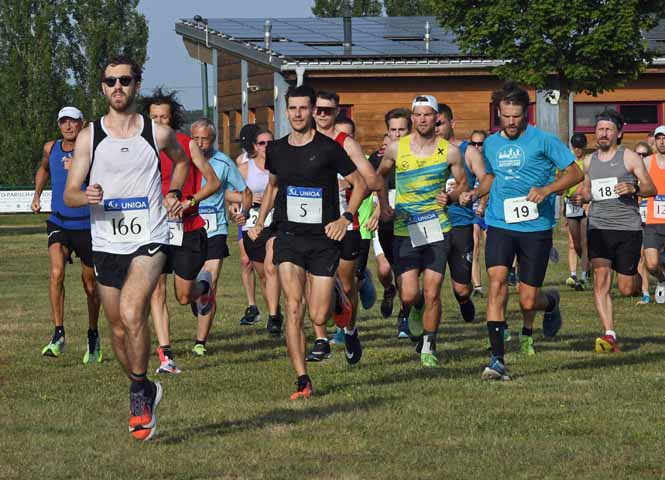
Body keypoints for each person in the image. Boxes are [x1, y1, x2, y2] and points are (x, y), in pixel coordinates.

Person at [64, 55, 190, 440]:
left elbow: (181, 163)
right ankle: (145, 385)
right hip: (106, 242)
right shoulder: (90, 135)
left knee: (135, 312)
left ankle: (138, 393)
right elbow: (68, 193)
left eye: (125, 80)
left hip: (149, 237)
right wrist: (84, 195)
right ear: (102, 87)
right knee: (118, 328)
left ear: (136, 85)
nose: (117, 87)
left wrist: (171, 190)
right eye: (110, 81)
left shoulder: (157, 133)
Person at [248, 84, 368, 399]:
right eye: (292, 109)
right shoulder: (275, 149)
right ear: (286, 112)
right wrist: (260, 222)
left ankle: (340, 298)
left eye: (304, 108)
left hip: (323, 238)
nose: (298, 114)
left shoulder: (329, 148)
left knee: (319, 316)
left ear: (313, 110)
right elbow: (273, 187)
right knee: (293, 307)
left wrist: (346, 219)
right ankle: (302, 380)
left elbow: (361, 183)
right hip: (288, 235)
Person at [462, 81, 583, 380]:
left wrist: (548, 189)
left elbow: (575, 172)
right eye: (506, 115)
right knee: (497, 283)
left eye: (517, 116)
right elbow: (490, 178)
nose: (511, 122)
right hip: (500, 223)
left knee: (528, 299)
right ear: (498, 113)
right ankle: (496, 359)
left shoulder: (544, 140)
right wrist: (476, 194)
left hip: (536, 226)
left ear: (526, 114)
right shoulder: (490, 143)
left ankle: (550, 302)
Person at [378, 94, 467, 367]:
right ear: (412, 117)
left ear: (437, 117)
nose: (423, 119)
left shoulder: (449, 151)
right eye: (418, 115)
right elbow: (378, 176)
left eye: (428, 114)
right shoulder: (396, 148)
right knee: (408, 294)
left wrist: (451, 198)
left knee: (432, 291)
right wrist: (383, 205)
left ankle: (428, 344)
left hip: (437, 227)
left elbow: (462, 183)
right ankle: (414, 308)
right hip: (405, 227)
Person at [141, 88, 221, 374]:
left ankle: (204, 289)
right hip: (154, 230)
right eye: (154, 118)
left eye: (164, 117)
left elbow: (213, 183)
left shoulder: (187, 145)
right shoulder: (142, 147)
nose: (159, 122)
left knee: (184, 296)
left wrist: (190, 201)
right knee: (156, 291)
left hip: (188, 228)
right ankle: (166, 356)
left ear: (173, 118)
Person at [307, 90, 382, 364]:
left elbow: (373, 180)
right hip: (311, 224)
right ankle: (320, 339)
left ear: (337, 112)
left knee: (347, 283)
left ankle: (350, 329)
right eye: (320, 109)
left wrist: (349, 183)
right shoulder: (301, 141)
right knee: (312, 281)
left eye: (329, 110)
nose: (323, 114)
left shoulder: (345, 143)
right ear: (313, 111)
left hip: (344, 223)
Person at [571, 110, 655, 353]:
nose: (603, 134)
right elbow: (588, 190)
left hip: (627, 227)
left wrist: (634, 187)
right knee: (601, 279)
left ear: (619, 133)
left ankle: (642, 283)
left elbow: (651, 188)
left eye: (608, 129)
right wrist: (580, 197)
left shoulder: (629, 157)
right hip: (598, 226)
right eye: (599, 129)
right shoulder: (589, 161)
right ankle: (609, 333)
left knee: (628, 288)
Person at [32, 106, 101, 362]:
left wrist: (80, 168)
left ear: (82, 124)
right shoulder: (51, 148)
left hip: (86, 224)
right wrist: (37, 195)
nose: (68, 126)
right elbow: (44, 170)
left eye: (72, 122)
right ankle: (58, 333)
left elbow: (107, 179)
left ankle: (93, 335)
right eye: (63, 122)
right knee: (56, 272)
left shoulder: (92, 151)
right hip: (59, 221)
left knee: (90, 286)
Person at [191, 119, 252, 356]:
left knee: (210, 280)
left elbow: (245, 192)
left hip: (215, 229)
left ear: (212, 139)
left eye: (204, 139)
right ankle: (195, 297)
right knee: (188, 286)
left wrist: (244, 213)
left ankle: (200, 341)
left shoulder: (224, 162)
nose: (199, 143)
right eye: (195, 138)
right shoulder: (183, 160)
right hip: (188, 229)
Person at [435, 103, 488, 323]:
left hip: (460, 223)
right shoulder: (423, 152)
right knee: (430, 285)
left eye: (440, 123)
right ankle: (427, 337)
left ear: (452, 123)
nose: (435, 127)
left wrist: (475, 195)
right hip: (431, 224)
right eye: (433, 123)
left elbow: (486, 180)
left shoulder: (469, 151)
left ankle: (464, 300)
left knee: (462, 288)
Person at [233, 128, 284, 336]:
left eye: (270, 142)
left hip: (276, 223)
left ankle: (273, 316)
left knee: (272, 268)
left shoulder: (281, 167)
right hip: (251, 225)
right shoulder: (245, 169)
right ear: (255, 147)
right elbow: (232, 194)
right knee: (263, 275)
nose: (266, 147)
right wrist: (246, 202)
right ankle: (275, 311)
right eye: (262, 143)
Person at [375, 108, 412, 337]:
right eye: (393, 130)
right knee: (387, 267)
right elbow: (375, 183)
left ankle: (404, 317)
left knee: (407, 271)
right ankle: (389, 290)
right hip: (387, 218)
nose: (398, 134)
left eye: (402, 129)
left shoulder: (420, 153)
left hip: (414, 218)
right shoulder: (380, 158)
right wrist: (379, 207)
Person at [235, 124, 261, 325]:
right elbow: (236, 190)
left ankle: (274, 308)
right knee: (245, 260)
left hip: (269, 214)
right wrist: (236, 207)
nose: (245, 148)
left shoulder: (270, 158)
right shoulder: (241, 161)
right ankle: (252, 305)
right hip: (247, 214)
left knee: (267, 266)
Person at [562, 133, 590, 291]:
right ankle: (572, 274)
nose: (577, 149)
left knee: (585, 242)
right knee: (574, 243)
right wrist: (562, 206)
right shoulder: (568, 163)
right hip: (571, 203)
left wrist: (587, 200)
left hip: (584, 202)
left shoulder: (588, 162)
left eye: (580, 146)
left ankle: (584, 274)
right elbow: (565, 183)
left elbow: (588, 182)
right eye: (575, 146)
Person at [641, 126, 665, 304]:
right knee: (651, 264)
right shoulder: (648, 162)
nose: (662, 142)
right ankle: (662, 280)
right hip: (652, 220)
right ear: (654, 141)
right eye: (659, 138)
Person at [469, 130, 489, 297]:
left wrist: (483, 203)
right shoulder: (468, 161)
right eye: (473, 143)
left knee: (492, 250)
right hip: (473, 211)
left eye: (480, 144)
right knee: (474, 247)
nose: (476, 147)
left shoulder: (490, 162)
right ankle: (477, 286)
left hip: (491, 211)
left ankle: (505, 278)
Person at [635, 141, 653, 304]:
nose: (641, 157)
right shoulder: (630, 175)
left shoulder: (655, 173)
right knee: (641, 257)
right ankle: (646, 292)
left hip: (656, 219)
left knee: (654, 259)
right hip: (639, 220)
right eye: (638, 154)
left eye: (644, 154)